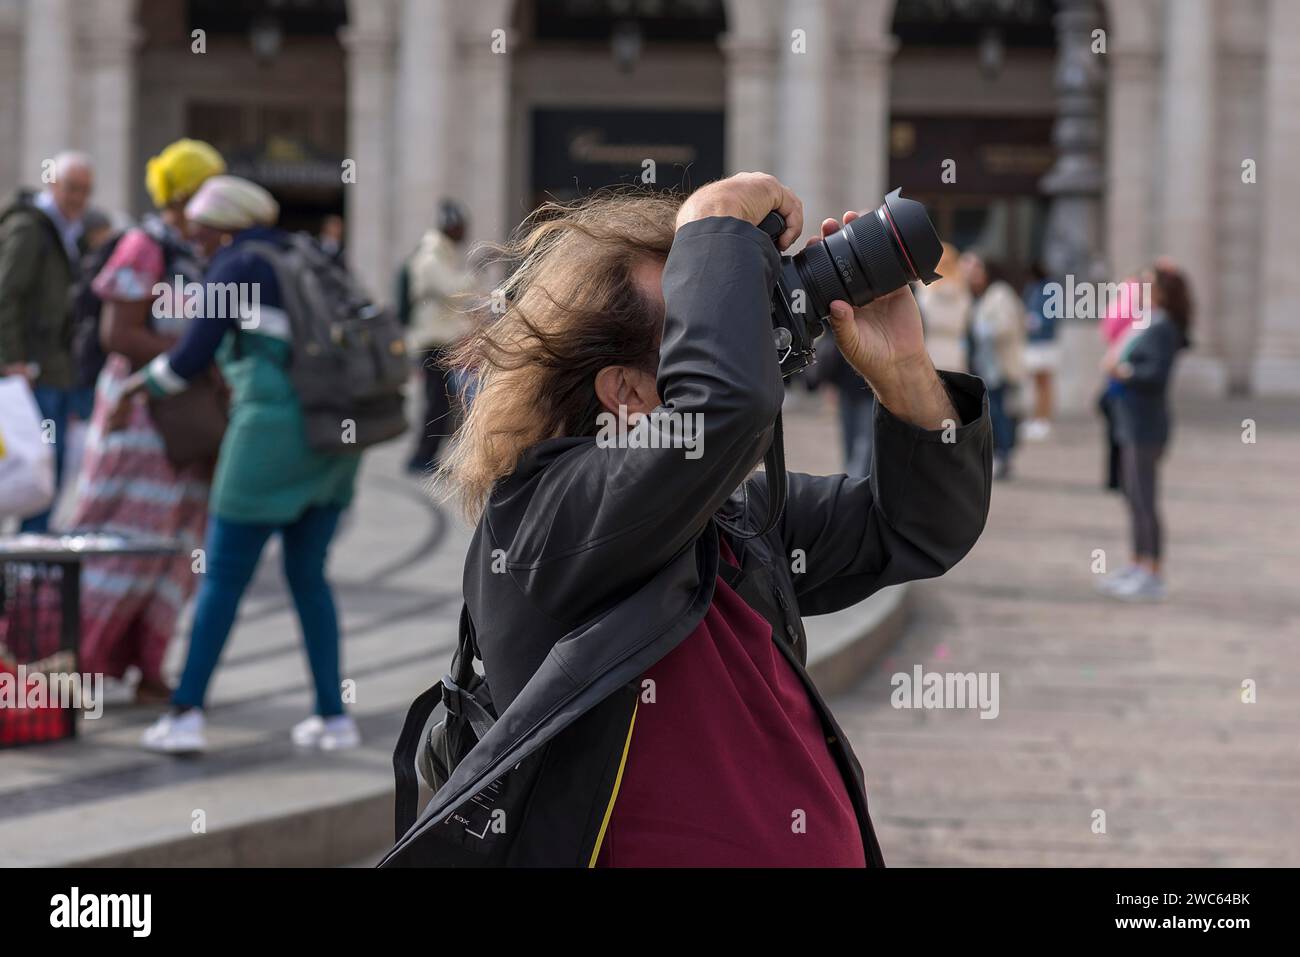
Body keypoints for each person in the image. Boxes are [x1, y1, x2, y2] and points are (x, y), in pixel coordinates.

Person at [381, 173, 992, 867]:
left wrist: (905, 370)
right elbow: (725, 408)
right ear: (629, 393)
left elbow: (918, 526)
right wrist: (714, 217)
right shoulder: (542, 519)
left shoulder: (731, 522)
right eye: (701, 320)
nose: (736, 335)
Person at [114, 176, 363, 753]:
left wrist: (135, 387)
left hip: (271, 436)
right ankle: (333, 717)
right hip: (335, 437)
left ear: (224, 226)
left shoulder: (237, 265)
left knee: (223, 577)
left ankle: (184, 714)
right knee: (309, 577)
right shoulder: (310, 254)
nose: (196, 242)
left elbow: (189, 358)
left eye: (201, 231)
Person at [62, 139, 224, 705]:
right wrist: (186, 362)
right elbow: (118, 334)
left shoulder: (203, 254)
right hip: (140, 420)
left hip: (186, 425)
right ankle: (79, 666)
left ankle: (147, 665)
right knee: (120, 542)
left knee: (177, 548)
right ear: (183, 195)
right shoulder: (142, 245)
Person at [0, 151, 94, 531]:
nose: (78, 199)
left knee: (44, 472)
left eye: (85, 191)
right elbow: (5, 294)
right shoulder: (30, 228)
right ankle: (27, 563)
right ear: (51, 184)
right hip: (30, 373)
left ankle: (32, 563)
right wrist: (13, 359)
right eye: (72, 188)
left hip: (55, 370)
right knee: (31, 469)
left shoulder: (69, 234)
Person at [1096, 265, 1192, 602]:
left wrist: (1123, 371)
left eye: (1150, 284)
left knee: (1145, 497)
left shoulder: (1165, 327)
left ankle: (1153, 570)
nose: (1143, 289)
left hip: (1146, 423)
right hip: (1128, 419)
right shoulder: (1146, 320)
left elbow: (1155, 373)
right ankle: (1136, 562)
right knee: (1132, 496)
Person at [398, 199, 477, 473]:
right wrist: (476, 271)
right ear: (450, 226)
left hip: (443, 341)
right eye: (461, 227)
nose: (464, 233)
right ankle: (420, 458)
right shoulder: (431, 257)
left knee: (440, 403)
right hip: (433, 344)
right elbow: (453, 290)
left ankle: (427, 457)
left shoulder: (443, 255)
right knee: (436, 404)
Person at [962, 251, 1026, 480]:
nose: (972, 273)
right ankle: (995, 455)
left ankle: (1004, 456)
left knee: (1000, 413)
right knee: (991, 413)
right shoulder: (971, 296)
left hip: (998, 366)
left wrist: (983, 330)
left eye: (977, 268)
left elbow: (1007, 326)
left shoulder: (999, 293)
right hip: (981, 366)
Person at [1097, 274, 1143, 491]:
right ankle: (1121, 478)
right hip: (1124, 382)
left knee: (1115, 433)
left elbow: (1107, 332)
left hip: (1117, 380)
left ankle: (1114, 478)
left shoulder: (1119, 312)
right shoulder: (1138, 318)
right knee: (1123, 433)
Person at [916, 240, 971, 374]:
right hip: (956, 352)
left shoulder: (925, 291)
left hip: (931, 351)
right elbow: (967, 322)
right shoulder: (963, 293)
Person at [1021, 261, 1059, 441]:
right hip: (1034, 342)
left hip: (1045, 341)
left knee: (1045, 383)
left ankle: (1044, 420)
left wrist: (1038, 322)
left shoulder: (1050, 288)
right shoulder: (1032, 289)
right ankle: (1037, 417)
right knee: (1037, 382)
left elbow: (1053, 316)